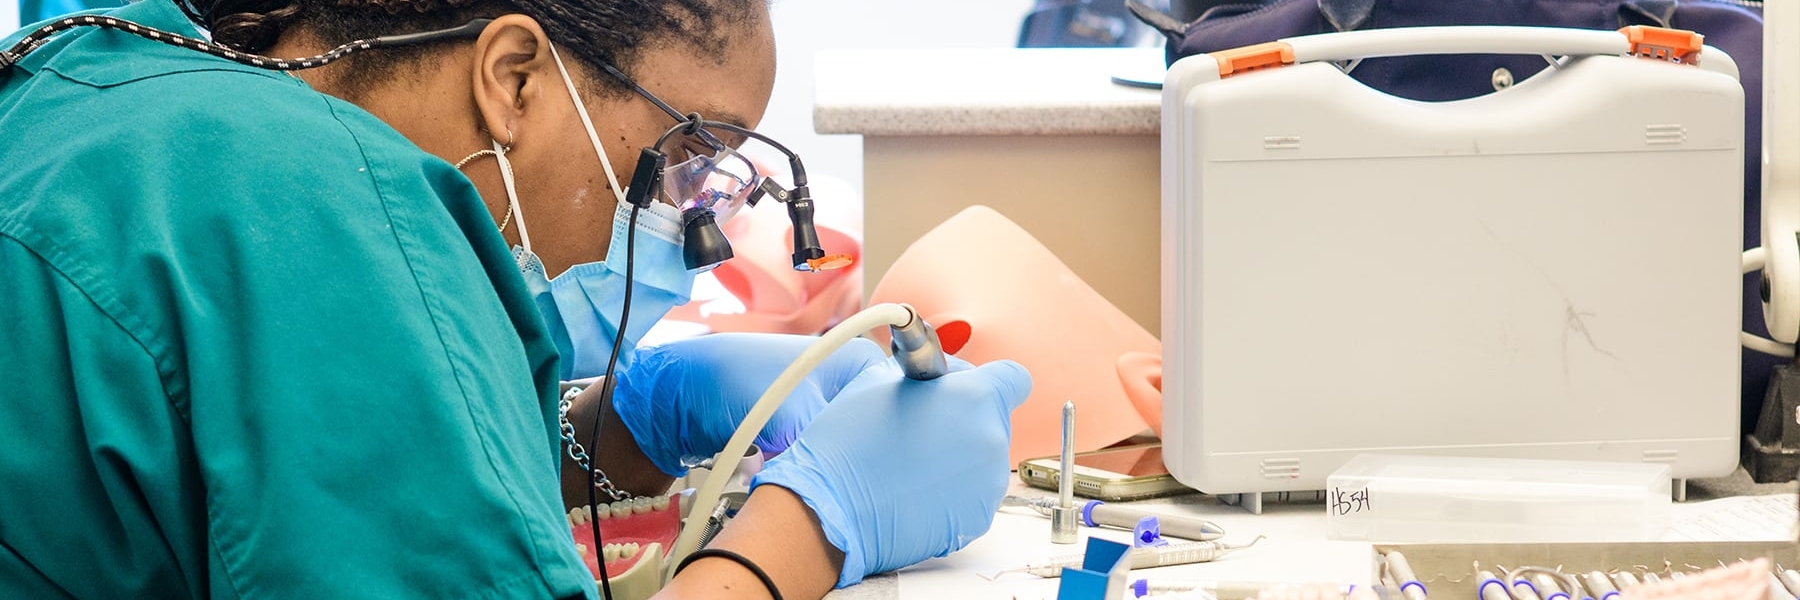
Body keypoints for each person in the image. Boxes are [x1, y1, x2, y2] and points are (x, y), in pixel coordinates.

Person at [0, 0, 1033, 597]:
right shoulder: (313, 202)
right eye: (690, 157)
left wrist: (614, 423)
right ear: (513, 75)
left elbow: (268, 452)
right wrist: (808, 530)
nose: (695, 226)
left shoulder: (110, 77)